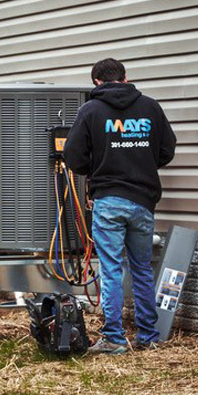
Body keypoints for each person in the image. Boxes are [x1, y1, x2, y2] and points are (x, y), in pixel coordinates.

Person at [63, 58, 176, 355]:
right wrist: (141, 163)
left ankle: (114, 338)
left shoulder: (90, 110)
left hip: (109, 200)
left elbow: (73, 156)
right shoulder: (151, 107)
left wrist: (98, 167)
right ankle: (148, 336)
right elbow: (167, 150)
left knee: (111, 268)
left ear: (97, 83)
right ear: (125, 77)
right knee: (141, 268)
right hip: (143, 200)